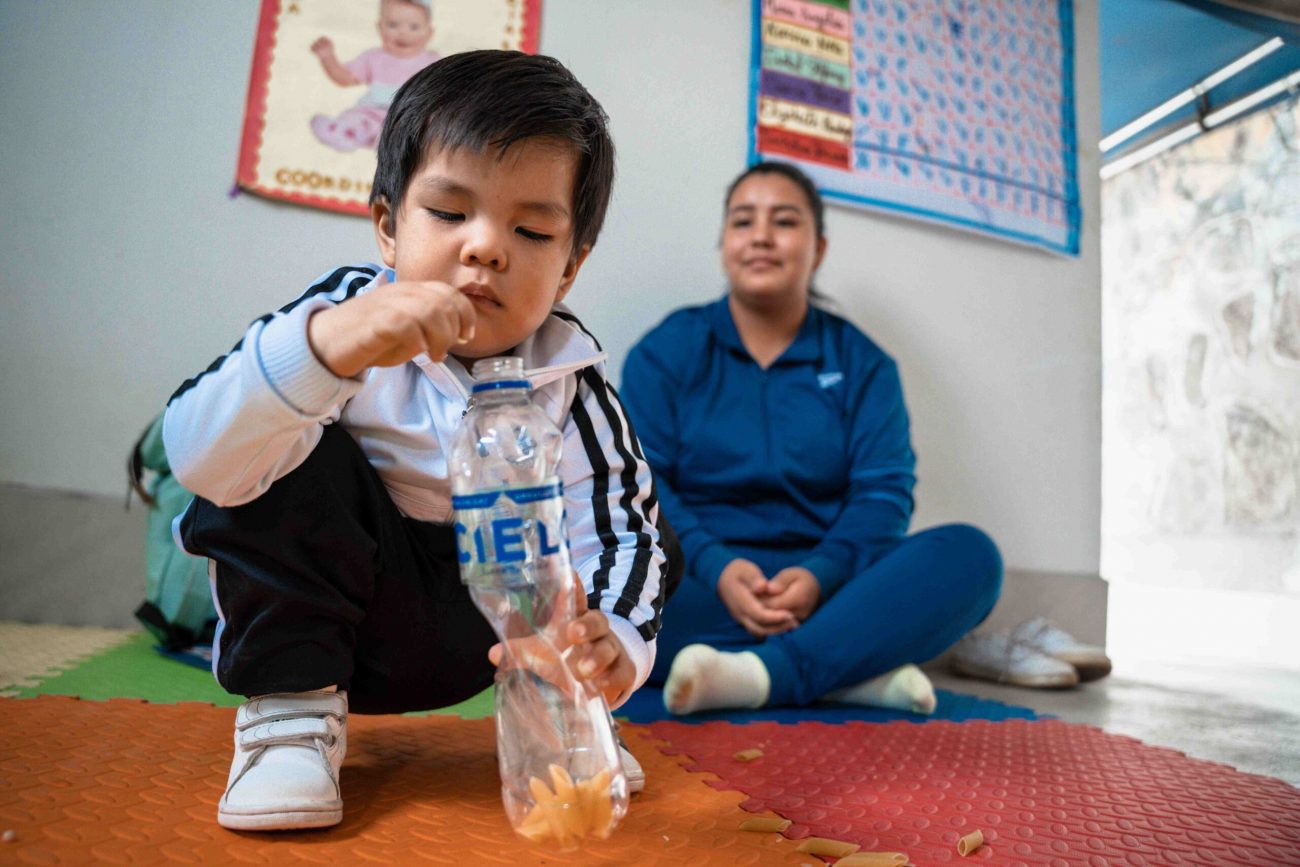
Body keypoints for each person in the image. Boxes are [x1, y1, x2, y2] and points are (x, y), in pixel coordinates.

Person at [164, 50, 680, 832]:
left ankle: (566, 717)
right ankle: (291, 718)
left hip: (485, 644)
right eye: (448, 213)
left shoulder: (573, 378)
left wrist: (614, 640)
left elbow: (623, 531)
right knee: (284, 442)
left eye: (531, 228)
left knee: (641, 524)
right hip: (335, 618)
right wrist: (324, 351)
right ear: (386, 226)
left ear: (569, 268)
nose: (485, 247)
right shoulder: (339, 322)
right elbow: (200, 456)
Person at [620, 161, 1002, 717]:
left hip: (833, 582)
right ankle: (846, 666)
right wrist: (718, 567)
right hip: (698, 580)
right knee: (592, 585)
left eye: (785, 221)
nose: (761, 237)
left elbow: (883, 494)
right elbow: (644, 484)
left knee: (972, 558)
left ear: (818, 248)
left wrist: (821, 575)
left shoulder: (864, 364)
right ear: (724, 243)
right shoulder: (668, 351)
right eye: (743, 221)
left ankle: (767, 672)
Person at [309, 0, 440, 152]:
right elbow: (346, 78)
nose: (403, 32)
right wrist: (328, 58)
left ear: (429, 32)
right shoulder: (374, 57)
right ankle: (342, 132)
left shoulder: (433, 61)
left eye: (414, 27)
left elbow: (445, 91)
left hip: (408, 116)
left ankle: (391, 145)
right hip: (371, 112)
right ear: (380, 28)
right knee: (356, 118)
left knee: (417, 131)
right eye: (392, 25)